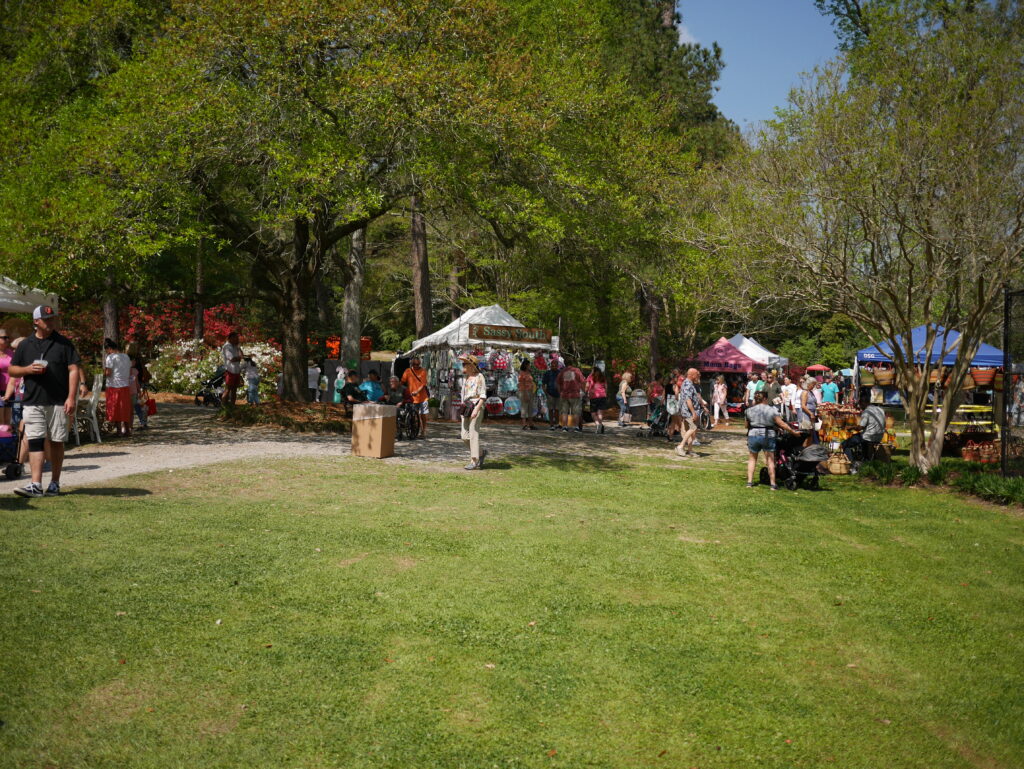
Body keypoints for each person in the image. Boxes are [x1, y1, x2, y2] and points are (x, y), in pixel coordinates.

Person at [9, 305, 80, 497]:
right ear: (36, 322)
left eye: (52, 318)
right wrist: (27, 370)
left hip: (58, 400)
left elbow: (74, 370)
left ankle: (55, 483)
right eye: (46, 319)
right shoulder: (25, 345)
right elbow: (12, 370)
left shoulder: (64, 344)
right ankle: (36, 485)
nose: (51, 322)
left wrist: (71, 397)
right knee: (35, 441)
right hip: (33, 401)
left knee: (57, 441)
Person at [745, 391, 801, 489]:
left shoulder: (749, 410)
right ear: (765, 399)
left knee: (752, 459)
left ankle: (749, 482)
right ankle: (773, 484)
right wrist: (793, 432)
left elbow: (746, 425)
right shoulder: (772, 410)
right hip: (768, 435)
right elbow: (782, 424)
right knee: (770, 460)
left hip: (753, 434)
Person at [459, 354, 487, 470]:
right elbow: (463, 395)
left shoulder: (479, 376)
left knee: (473, 433)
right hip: (466, 408)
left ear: (472, 365)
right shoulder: (465, 378)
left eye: (465, 364)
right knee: (464, 436)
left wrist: (477, 408)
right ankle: (481, 452)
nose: (463, 366)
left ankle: (474, 460)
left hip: (476, 406)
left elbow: (483, 395)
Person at [842, 402, 886, 470]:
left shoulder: (867, 412)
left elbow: (861, 427)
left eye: (860, 404)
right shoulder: (880, 410)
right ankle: (862, 457)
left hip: (867, 437)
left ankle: (850, 464)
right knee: (857, 437)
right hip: (879, 437)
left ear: (864, 402)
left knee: (845, 443)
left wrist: (851, 427)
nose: (860, 407)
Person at [103, 338, 133, 436]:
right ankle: (127, 430)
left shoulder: (110, 357)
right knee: (124, 408)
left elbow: (108, 373)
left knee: (115, 408)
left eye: (106, 350)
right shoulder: (126, 356)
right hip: (125, 385)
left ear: (109, 349)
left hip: (113, 385)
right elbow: (129, 370)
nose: (106, 353)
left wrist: (103, 373)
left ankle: (119, 431)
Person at [676, 368, 706, 458]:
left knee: (688, 431)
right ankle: (680, 446)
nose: (698, 376)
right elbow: (688, 399)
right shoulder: (688, 384)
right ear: (692, 375)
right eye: (697, 374)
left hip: (687, 410)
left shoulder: (688, 383)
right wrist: (693, 412)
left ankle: (690, 450)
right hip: (688, 411)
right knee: (693, 428)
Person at [400, 356, 429, 438]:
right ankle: (415, 430)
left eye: (417, 364)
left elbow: (423, 384)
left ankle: (423, 431)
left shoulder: (423, 371)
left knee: (423, 415)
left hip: (423, 397)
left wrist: (417, 391)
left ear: (420, 363)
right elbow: (402, 381)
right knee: (413, 416)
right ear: (411, 364)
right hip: (412, 398)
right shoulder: (408, 371)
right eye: (414, 364)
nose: (416, 366)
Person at [556, 357, 584, 433]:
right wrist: (584, 391)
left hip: (564, 394)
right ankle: (576, 427)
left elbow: (558, 383)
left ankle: (564, 427)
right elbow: (582, 382)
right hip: (575, 394)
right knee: (576, 411)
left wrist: (560, 392)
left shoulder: (562, 372)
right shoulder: (577, 371)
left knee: (564, 411)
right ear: (573, 363)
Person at [221, 332, 243, 406]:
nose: (237, 339)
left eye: (237, 338)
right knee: (228, 389)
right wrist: (239, 358)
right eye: (236, 338)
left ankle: (232, 407)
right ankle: (223, 407)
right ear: (231, 338)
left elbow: (241, 355)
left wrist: (238, 347)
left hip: (236, 370)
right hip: (230, 371)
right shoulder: (227, 347)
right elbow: (232, 359)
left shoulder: (235, 346)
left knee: (234, 390)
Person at [796, 376, 819, 445]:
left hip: (811, 416)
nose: (814, 386)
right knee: (806, 435)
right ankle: (804, 450)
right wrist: (811, 413)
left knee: (811, 434)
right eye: (813, 384)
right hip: (805, 416)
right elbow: (803, 406)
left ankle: (809, 450)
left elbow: (814, 403)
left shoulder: (811, 392)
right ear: (809, 384)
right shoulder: (805, 392)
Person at [129, 354, 149, 430]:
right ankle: (130, 425)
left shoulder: (135, 371)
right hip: (127, 392)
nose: (134, 362)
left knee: (138, 408)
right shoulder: (125, 371)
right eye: (132, 360)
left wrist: (139, 392)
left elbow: (136, 382)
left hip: (134, 393)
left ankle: (142, 423)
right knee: (133, 410)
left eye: (134, 360)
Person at [585, 366, 607, 434]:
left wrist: (586, 393)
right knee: (600, 412)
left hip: (593, 396)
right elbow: (606, 387)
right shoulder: (603, 377)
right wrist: (605, 394)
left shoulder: (590, 377)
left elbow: (587, 386)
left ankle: (598, 424)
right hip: (602, 396)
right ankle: (600, 424)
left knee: (593, 413)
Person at [518, 359, 537, 430]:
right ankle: (524, 424)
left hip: (530, 391)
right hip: (524, 391)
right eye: (529, 365)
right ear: (526, 365)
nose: (530, 366)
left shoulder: (529, 373)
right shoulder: (522, 373)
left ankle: (531, 423)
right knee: (524, 407)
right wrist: (525, 394)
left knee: (530, 408)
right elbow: (522, 384)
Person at [542, 360, 561, 429]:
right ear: (550, 365)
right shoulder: (547, 373)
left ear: (557, 365)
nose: (554, 366)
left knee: (557, 410)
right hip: (550, 394)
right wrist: (546, 393)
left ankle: (557, 424)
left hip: (558, 394)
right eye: (552, 365)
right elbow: (543, 384)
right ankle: (551, 425)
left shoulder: (560, 373)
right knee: (550, 409)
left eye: (555, 365)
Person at [0, 329, 11, 428]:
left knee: (8, 420)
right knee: (1, 420)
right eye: (4, 338)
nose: (7, 340)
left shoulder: (11, 353)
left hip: (11, 390)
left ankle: (7, 442)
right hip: (0, 391)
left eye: (8, 337)